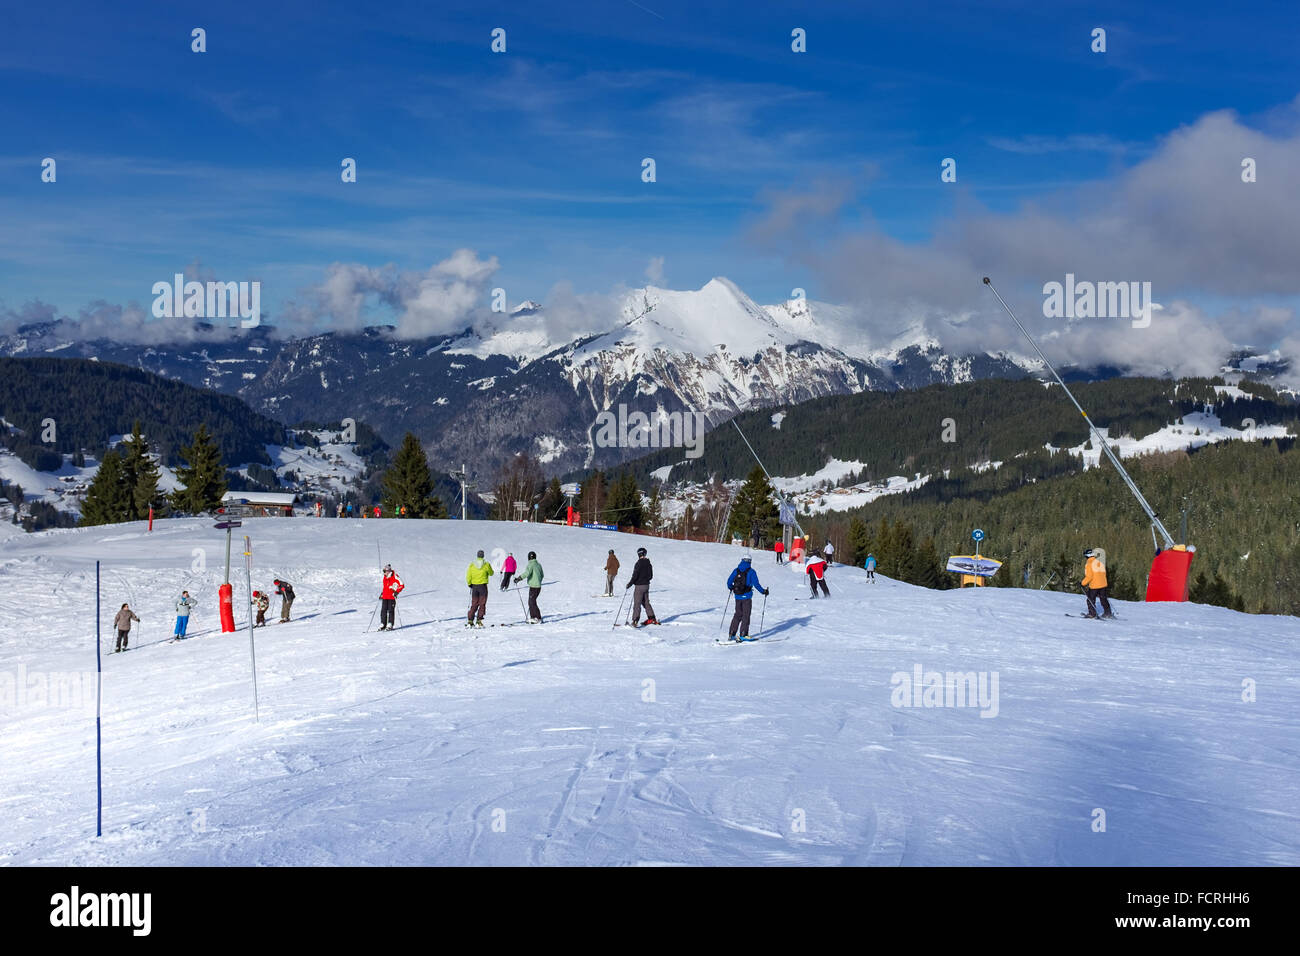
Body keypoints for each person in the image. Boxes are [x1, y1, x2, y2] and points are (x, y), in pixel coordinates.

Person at [726, 555, 770, 641]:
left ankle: (731, 634)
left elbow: (729, 581)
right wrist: (763, 591)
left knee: (737, 614)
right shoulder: (751, 571)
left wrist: (731, 587)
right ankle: (743, 634)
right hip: (746, 597)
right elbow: (756, 584)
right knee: (746, 615)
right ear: (750, 561)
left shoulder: (736, 570)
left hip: (737, 596)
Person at [625, 546, 658, 626]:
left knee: (637, 603)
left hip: (639, 586)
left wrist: (630, 584)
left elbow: (635, 576)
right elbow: (650, 576)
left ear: (638, 554)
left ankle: (635, 621)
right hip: (646, 586)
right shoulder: (649, 563)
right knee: (646, 602)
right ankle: (652, 618)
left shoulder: (638, 563)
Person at [1081, 548, 1113, 619]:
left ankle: (1092, 614)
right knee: (1103, 599)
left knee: (1090, 599)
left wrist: (1082, 583)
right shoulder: (1099, 562)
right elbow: (1104, 573)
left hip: (1095, 585)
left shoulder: (1089, 564)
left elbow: (1089, 576)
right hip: (1103, 584)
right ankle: (1108, 613)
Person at [466, 549, 494, 627]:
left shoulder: (472, 564)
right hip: (482, 586)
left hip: (474, 586)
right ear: (483, 556)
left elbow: (468, 575)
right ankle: (479, 620)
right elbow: (491, 573)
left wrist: (469, 583)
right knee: (482, 603)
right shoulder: (486, 564)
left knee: (474, 603)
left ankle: (470, 620)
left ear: (477, 555)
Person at [517, 551, 544, 623]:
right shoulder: (538, 565)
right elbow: (542, 575)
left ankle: (537, 618)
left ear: (529, 557)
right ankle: (534, 617)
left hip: (533, 586)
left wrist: (519, 578)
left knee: (531, 602)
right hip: (538, 587)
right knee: (532, 602)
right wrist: (538, 581)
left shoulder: (530, 565)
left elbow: (527, 573)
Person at [380, 564, 404, 630]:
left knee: (390, 610)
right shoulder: (385, 577)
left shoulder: (395, 576)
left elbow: (402, 585)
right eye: (384, 571)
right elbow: (385, 587)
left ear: (389, 571)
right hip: (385, 596)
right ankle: (383, 624)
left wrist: (396, 592)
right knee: (383, 611)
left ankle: (390, 624)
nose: (384, 573)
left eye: (385, 571)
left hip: (392, 597)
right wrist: (382, 593)